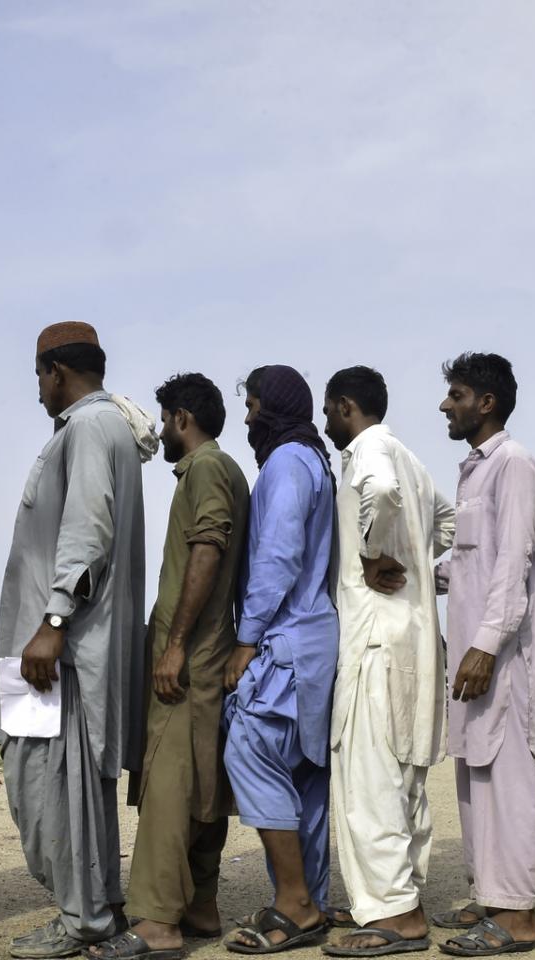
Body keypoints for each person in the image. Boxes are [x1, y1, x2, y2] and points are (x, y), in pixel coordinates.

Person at [0, 323, 153, 959]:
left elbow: (87, 533)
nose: (37, 389)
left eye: (39, 376)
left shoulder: (90, 428)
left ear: (56, 371)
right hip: (63, 647)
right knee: (72, 785)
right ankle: (99, 904)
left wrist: (53, 623)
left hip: (64, 650)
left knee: (51, 783)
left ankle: (83, 919)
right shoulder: (98, 428)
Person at [90, 374, 249, 960]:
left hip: (190, 658)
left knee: (167, 786)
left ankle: (157, 922)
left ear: (183, 418)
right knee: (201, 785)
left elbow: (207, 546)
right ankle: (201, 906)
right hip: (208, 654)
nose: (160, 432)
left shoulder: (206, 467)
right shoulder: (226, 469)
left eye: (163, 420)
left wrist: (175, 643)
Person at [429, 353, 535, 957]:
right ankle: (492, 899)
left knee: (510, 782)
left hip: (505, 663)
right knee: (475, 780)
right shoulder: (475, 470)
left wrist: (485, 646)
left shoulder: (514, 464)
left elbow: (514, 567)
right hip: (471, 662)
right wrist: (414, 573)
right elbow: (470, 564)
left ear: (487, 403)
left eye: (456, 395)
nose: (445, 405)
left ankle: (517, 918)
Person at [320, 365, 456, 958]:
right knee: (405, 784)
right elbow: (448, 521)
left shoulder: (369, 451)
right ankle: (401, 897)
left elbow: (378, 494)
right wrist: (417, 562)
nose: (325, 423)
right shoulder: (412, 457)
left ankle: (396, 915)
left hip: (375, 642)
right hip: (415, 640)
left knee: (370, 783)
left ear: (345, 407)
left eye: (329, 411)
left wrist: (378, 552)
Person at [220, 366, 341, 955]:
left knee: (249, 750)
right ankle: (308, 904)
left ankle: (293, 901)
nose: (246, 417)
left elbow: (278, 555)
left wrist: (246, 640)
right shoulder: (316, 461)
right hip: (314, 642)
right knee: (304, 778)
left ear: (274, 407)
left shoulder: (289, 462)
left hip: (284, 641)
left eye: (251, 405)